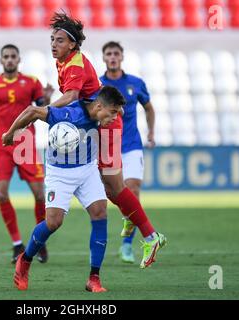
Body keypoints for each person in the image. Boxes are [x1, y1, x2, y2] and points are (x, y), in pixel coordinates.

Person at [48, 12, 166, 268]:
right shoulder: (65, 62)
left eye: (58, 40)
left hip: (108, 126)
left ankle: (151, 236)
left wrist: (42, 112)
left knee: (115, 187)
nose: (53, 44)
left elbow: (70, 97)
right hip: (100, 126)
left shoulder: (76, 64)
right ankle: (142, 227)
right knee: (111, 188)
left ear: (72, 44)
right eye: (52, 39)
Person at [2, 86, 125, 292]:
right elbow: (32, 111)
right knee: (53, 222)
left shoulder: (100, 109)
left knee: (100, 213)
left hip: (87, 169)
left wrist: (116, 107)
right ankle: (25, 260)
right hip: (60, 173)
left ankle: (94, 278)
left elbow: (115, 107)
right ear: (99, 106)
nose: (114, 117)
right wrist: (10, 134)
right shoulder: (69, 114)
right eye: (112, 113)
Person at [0, 44, 53, 264]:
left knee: (39, 194)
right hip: (1, 145)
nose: (9, 60)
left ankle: (40, 242)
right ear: (1, 61)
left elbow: (40, 107)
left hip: (25, 143)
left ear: (19, 60)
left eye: (13, 57)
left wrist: (46, 98)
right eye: (6, 57)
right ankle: (17, 244)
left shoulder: (32, 82)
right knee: (1, 194)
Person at [100, 41, 158, 263]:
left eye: (116, 53)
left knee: (132, 190)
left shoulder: (136, 83)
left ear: (122, 57)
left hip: (132, 145)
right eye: (109, 54)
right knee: (114, 193)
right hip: (108, 147)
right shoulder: (98, 84)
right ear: (104, 58)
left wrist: (151, 132)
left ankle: (127, 245)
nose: (113, 57)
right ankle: (129, 215)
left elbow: (149, 108)